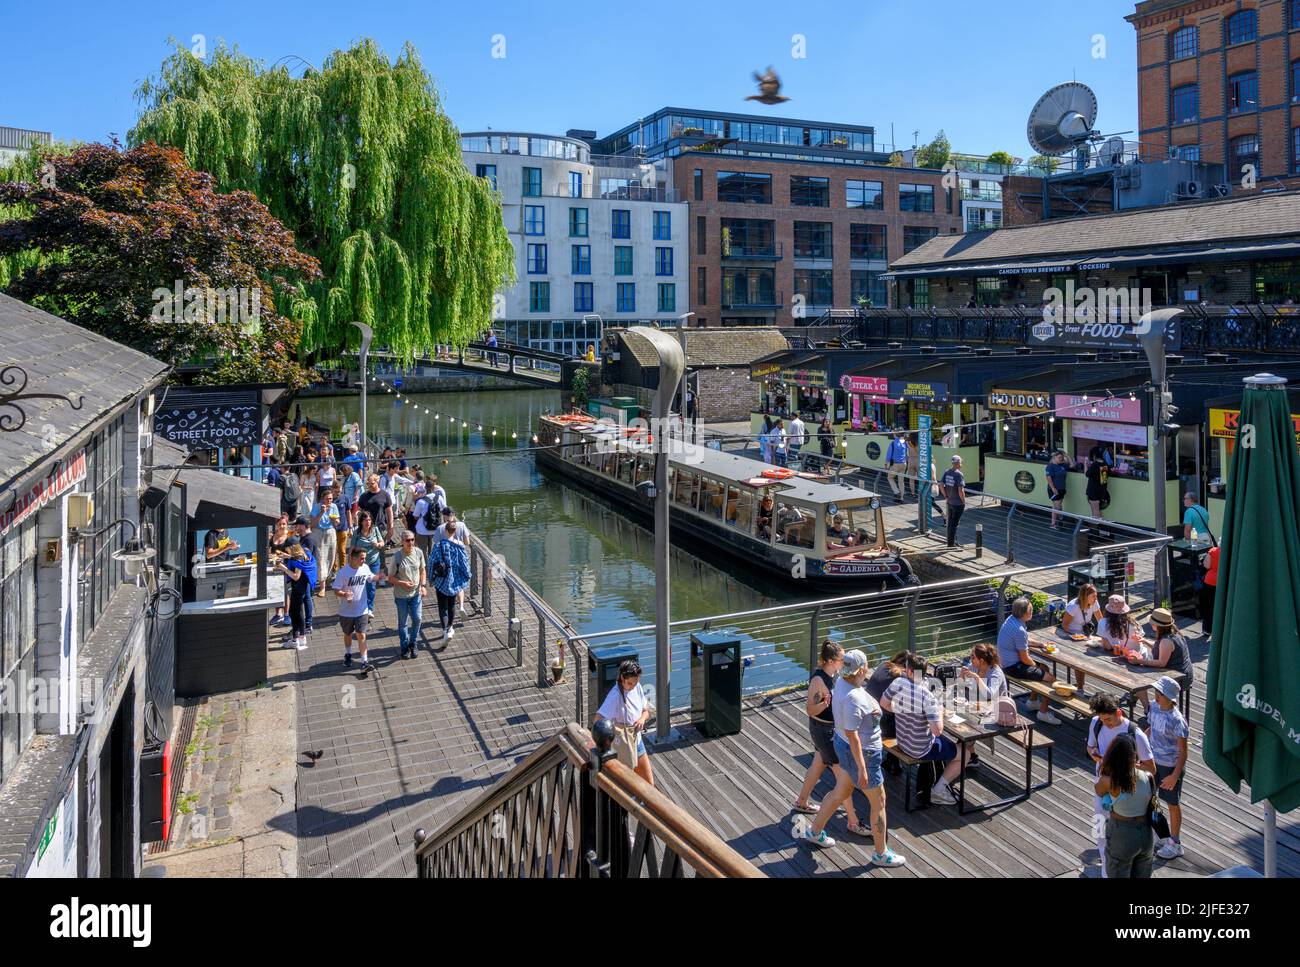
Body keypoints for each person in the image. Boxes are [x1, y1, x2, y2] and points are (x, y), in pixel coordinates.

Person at [800, 650, 905, 867]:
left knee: (841, 791)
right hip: (863, 754)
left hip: (843, 747)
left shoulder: (840, 683)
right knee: (879, 802)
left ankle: (815, 830)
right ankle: (880, 853)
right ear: (863, 669)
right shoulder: (855, 699)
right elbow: (853, 735)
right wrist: (863, 768)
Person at [792, 640, 866, 836]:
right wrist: (826, 704)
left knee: (817, 765)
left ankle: (801, 802)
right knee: (845, 779)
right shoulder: (819, 680)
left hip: (826, 730)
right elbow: (810, 709)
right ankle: (852, 821)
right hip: (824, 731)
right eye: (843, 659)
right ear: (832, 661)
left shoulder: (834, 674)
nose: (845, 662)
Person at [1086, 693, 1156, 877]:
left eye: (1108, 719)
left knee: (1117, 836)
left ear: (1119, 712)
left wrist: (1122, 764)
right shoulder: (1096, 723)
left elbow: (1151, 768)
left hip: (1126, 790)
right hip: (1103, 785)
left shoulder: (1136, 734)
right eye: (1102, 719)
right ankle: (1105, 872)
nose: (1105, 723)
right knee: (1100, 834)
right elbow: (1090, 746)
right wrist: (1093, 752)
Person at [881, 652, 961, 806]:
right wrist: (939, 710)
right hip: (919, 749)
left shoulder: (898, 683)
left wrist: (899, 708)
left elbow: (884, 703)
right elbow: (937, 731)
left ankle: (936, 779)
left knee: (945, 745)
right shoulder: (928, 696)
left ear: (910, 671)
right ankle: (939, 790)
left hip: (902, 741)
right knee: (965, 753)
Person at [1094, 734, 1156, 878]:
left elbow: (1098, 790)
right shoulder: (1148, 776)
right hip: (1146, 834)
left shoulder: (1109, 781)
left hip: (1122, 833)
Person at [997, 597, 1062, 724]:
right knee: (1051, 679)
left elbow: (1023, 641)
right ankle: (1043, 713)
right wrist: (1036, 668)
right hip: (1013, 667)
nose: (1032, 611)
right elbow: (1025, 658)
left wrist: (1040, 644)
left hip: (1006, 663)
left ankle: (1032, 702)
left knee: (1045, 668)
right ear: (1024, 613)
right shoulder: (1019, 630)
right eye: (1030, 609)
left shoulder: (1012, 620)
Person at [1146, 676, 1190, 860]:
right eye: (1156, 691)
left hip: (1170, 767)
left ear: (1170, 697)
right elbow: (1150, 730)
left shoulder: (1177, 720)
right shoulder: (1154, 707)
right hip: (1152, 762)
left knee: (1172, 804)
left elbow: (1183, 751)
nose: (1156, 695)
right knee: (1147, 798)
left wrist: (1174, 776)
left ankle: (1175, 843)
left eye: (1160, 692)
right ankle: (1159, 835)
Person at [595, 659, 654, 786]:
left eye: (635, 682)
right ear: (622, 677)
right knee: (628, 785)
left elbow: (646, 710)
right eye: (629, 683)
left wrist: (642, 719)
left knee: (649, 784)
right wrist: (617, 728)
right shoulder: (615, 696)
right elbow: (598, 720)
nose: (632, 686)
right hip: (622, 745)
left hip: (637, 741)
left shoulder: (637, 687)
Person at [332, 546, 383, 674]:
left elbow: (371, 578)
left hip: (362, 610)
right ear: (353, 558)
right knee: (348, 634)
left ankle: (364, 662)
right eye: (361, 558)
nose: (363, 561)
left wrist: (381, 576)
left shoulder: (364, 568)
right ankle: (348, 654)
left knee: (361, 635)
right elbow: (336, 590)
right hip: (346, 612)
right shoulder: (343, 572)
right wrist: (344, 595)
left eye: (364, 558)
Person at [430, 514, 471, 642]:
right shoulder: (460, 545)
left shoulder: (438, 546)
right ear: (456, 531)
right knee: (452, 604)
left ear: (445, 531)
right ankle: (451, 627)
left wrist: (431, 578)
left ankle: (445, 630)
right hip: (454, 580)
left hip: (441, 580)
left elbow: (432, 562)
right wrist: (467, 575)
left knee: (442, 606)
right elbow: (464, 562)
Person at [390, 531, 427, 659]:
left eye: (412, 540)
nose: (410, 542)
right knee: (403, 623)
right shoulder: (397, 557)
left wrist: (423, 585)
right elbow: (390, 578)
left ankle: (413, 642)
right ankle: (404, 647)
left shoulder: (419, 553)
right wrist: (402, 583)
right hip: (401, 596)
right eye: (407, 540)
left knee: (417, 619)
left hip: (416, 594)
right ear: (402, 542)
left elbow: (422, 570)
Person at [274, 540, 316, 651]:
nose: (286, 550)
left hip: (298, 588)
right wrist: (287, 556)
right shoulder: (303, 554)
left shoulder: (298, 559)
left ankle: (295, 640)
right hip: (303, 586)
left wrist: (283, 567)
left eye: (286, 549)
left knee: (295, 612)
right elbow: (296, 558)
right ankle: (301, 638)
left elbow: (296, 576)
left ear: (291, 547)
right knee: (298, 611)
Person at [435, 507, 471, 619]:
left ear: (444, 516)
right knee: (459, 585)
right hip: (459, 559)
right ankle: (461, 606)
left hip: (445, 561)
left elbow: (436, 545)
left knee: (448, 583)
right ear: (454, 514)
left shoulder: (440, 528)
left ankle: (448, 612)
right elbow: (467, 542)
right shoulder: (461, 525)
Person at [348, 511, 385, 616]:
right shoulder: (357, 533)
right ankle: (359, 606)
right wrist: (349, 562)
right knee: (359, 586)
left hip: (374, 562)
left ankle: (369, 609)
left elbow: (382, 543)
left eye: (369, 520)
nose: (368, 522)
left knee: (371, 586)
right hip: (360, 563)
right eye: (365, 520)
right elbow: (352, 548)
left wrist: (377, 544)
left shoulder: (375, 530)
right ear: (361, 521)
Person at [309, 486, 340, 594]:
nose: (329, 501)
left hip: (330, 533)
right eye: (327, 499)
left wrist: (335, 520)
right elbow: (312, 524)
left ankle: (326, 577)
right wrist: (321, 512)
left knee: (330, 558)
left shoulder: (334, 507)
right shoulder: (316, 507)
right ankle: (322, 586)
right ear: (322, 499)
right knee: (320, 558)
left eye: (331, 499)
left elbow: (337, 523)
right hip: (318, 533)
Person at [268, 514, 293, 627]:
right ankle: (278, 614)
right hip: (275, 567)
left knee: (286, 591)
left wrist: (284, 556)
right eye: (280, 524)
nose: (282, 526)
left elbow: (296, 555)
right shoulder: (272, 536)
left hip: (286, 567)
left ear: (287, 524)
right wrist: (270, 555)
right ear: (276, 525)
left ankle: (287, 614)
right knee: (275, 590)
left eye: (284, 524)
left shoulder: (290, 537)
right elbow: (269, 550)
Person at [358, 474, 395, 550]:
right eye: (368, 484)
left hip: (381, 527)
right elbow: (360, 511)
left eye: (372, 483)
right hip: (366, 527)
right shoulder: (363, 496)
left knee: (381, 550)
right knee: (366, 550)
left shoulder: (385, 495)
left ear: (377, 482)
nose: (370, 486)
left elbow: (389, 512)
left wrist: (390, 527)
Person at [938, 454, 967, 548]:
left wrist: (946, 496)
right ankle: (951, 544)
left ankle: (951, 542)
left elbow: (941, 484)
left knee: (950, 523)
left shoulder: (947, 472)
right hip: (957, 503)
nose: (961, 463)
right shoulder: (959, 474)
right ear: (958, 463)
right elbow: (960, 490)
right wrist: (963, 501)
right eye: (961, 462)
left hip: (949, 502)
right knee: (954, 524)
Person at [1199, 542, 1220, 643]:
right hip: (1223, 582)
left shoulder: (1212, 551)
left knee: (1208, 606)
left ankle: (1207, 630)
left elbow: (1206, 566)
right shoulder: (1231, 553)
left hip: (1210, 581)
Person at [1045, 450, 1069, 529]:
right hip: (1054, 490)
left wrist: (1066, 455)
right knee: (1057, 507)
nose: (1061, 459)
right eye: (1059, 458)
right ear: (1054, 458)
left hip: (1062, 489)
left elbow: (1072, 465)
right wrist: (1053, 488)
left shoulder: (1062, 465)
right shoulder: (1050, 466)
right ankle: (1056, 522)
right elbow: (1049, 478)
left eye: (1062, 458)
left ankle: (1055, 522)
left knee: (1057, 506)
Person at [1085, 445, 1109, 518]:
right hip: (1102, 490)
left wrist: (1085, 464)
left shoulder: (1095, 465)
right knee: (1096, 509)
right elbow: (1103, 478)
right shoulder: (1105, 464)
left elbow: (1087, 474)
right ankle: (1096, 526)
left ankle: (1096, 527)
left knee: (1095, 510)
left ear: (1094, 455)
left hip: (1093, 490)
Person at [884, 430, 908, 498]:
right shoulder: (904, 443)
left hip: (895, 464)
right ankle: (902, 498)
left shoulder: (892, 443)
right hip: (904, 464)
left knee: (890, 477)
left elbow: (888, 456)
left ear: (895, 435)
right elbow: (906, 454)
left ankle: (896, 492)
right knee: (901, 481)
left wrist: (885, 465)